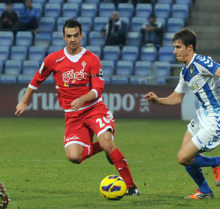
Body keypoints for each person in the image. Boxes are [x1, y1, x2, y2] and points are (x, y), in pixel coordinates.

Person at [15, 19, 139, 196]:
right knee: (74, 157)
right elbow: (36, 81)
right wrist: (24, 101)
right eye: (68, 36)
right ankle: (105, 147)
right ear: (63, 37)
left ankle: (131, 186)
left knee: (106, 141)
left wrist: (83, 98)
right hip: (72, 115)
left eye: (75, 35)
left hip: (95, 109)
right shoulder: (53, 59)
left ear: (81, 35)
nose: (72, 39)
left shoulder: (92, 59)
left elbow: (98, 89)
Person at [144, 28, 220, 199]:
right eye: (174, 47)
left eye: (178, 47)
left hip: (215, 119)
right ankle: (205, 191)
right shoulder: (185, 71)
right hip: (201, 116)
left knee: (183, 157)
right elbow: (177, 98)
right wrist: (158, 100)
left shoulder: (202, 62)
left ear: (189, 48)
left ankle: (217, 162)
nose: (174, 51)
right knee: (186, 156)